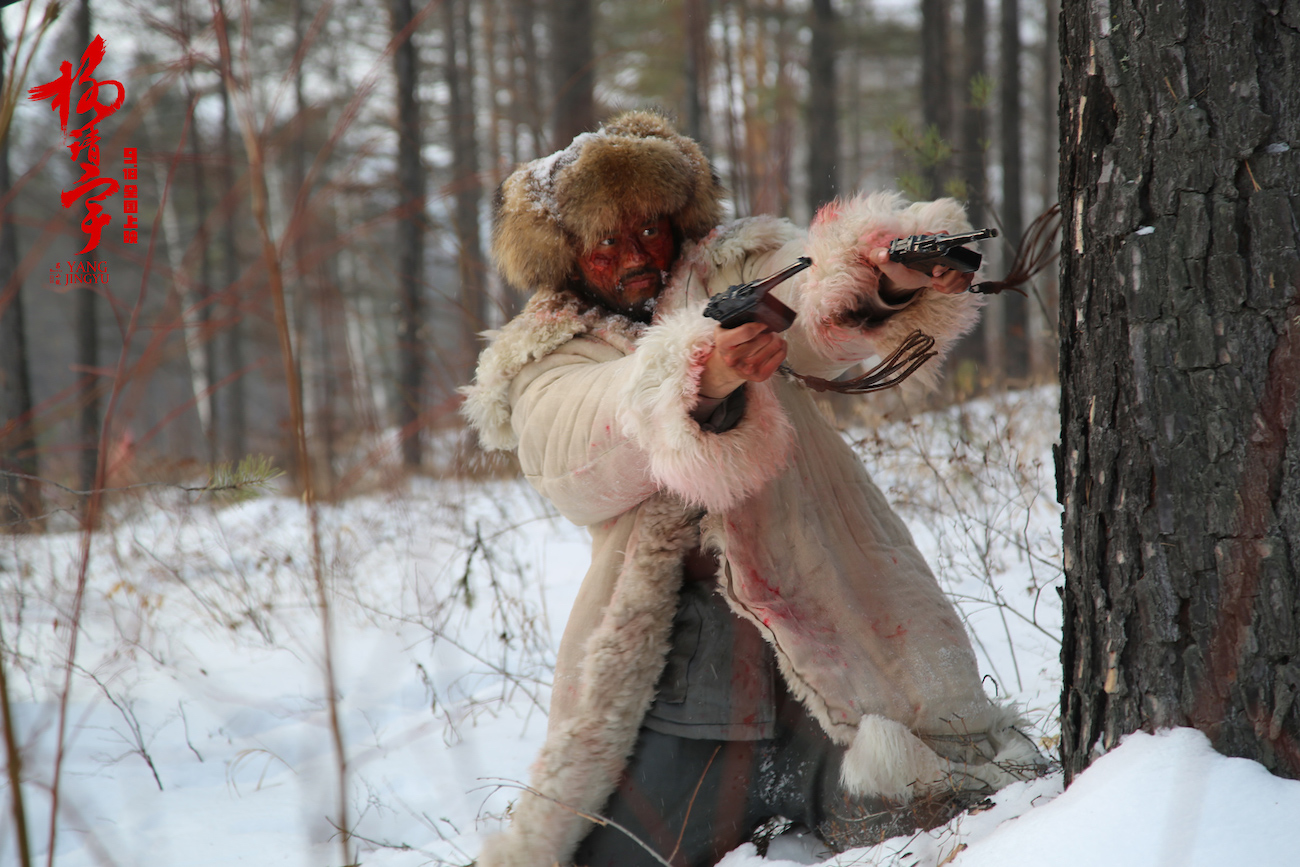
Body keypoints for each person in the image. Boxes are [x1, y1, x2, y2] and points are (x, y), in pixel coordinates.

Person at [462, 111, 1042, 867]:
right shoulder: (542, 357)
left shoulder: (733, 262)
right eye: (606, 242)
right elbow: (581, 444)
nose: (635, 255)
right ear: (567, 255)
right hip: (685, 667)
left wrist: (887, 276)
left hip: (839, 623)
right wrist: (701, 371)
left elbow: (813, 293)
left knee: (953, 822)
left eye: (649, 229)